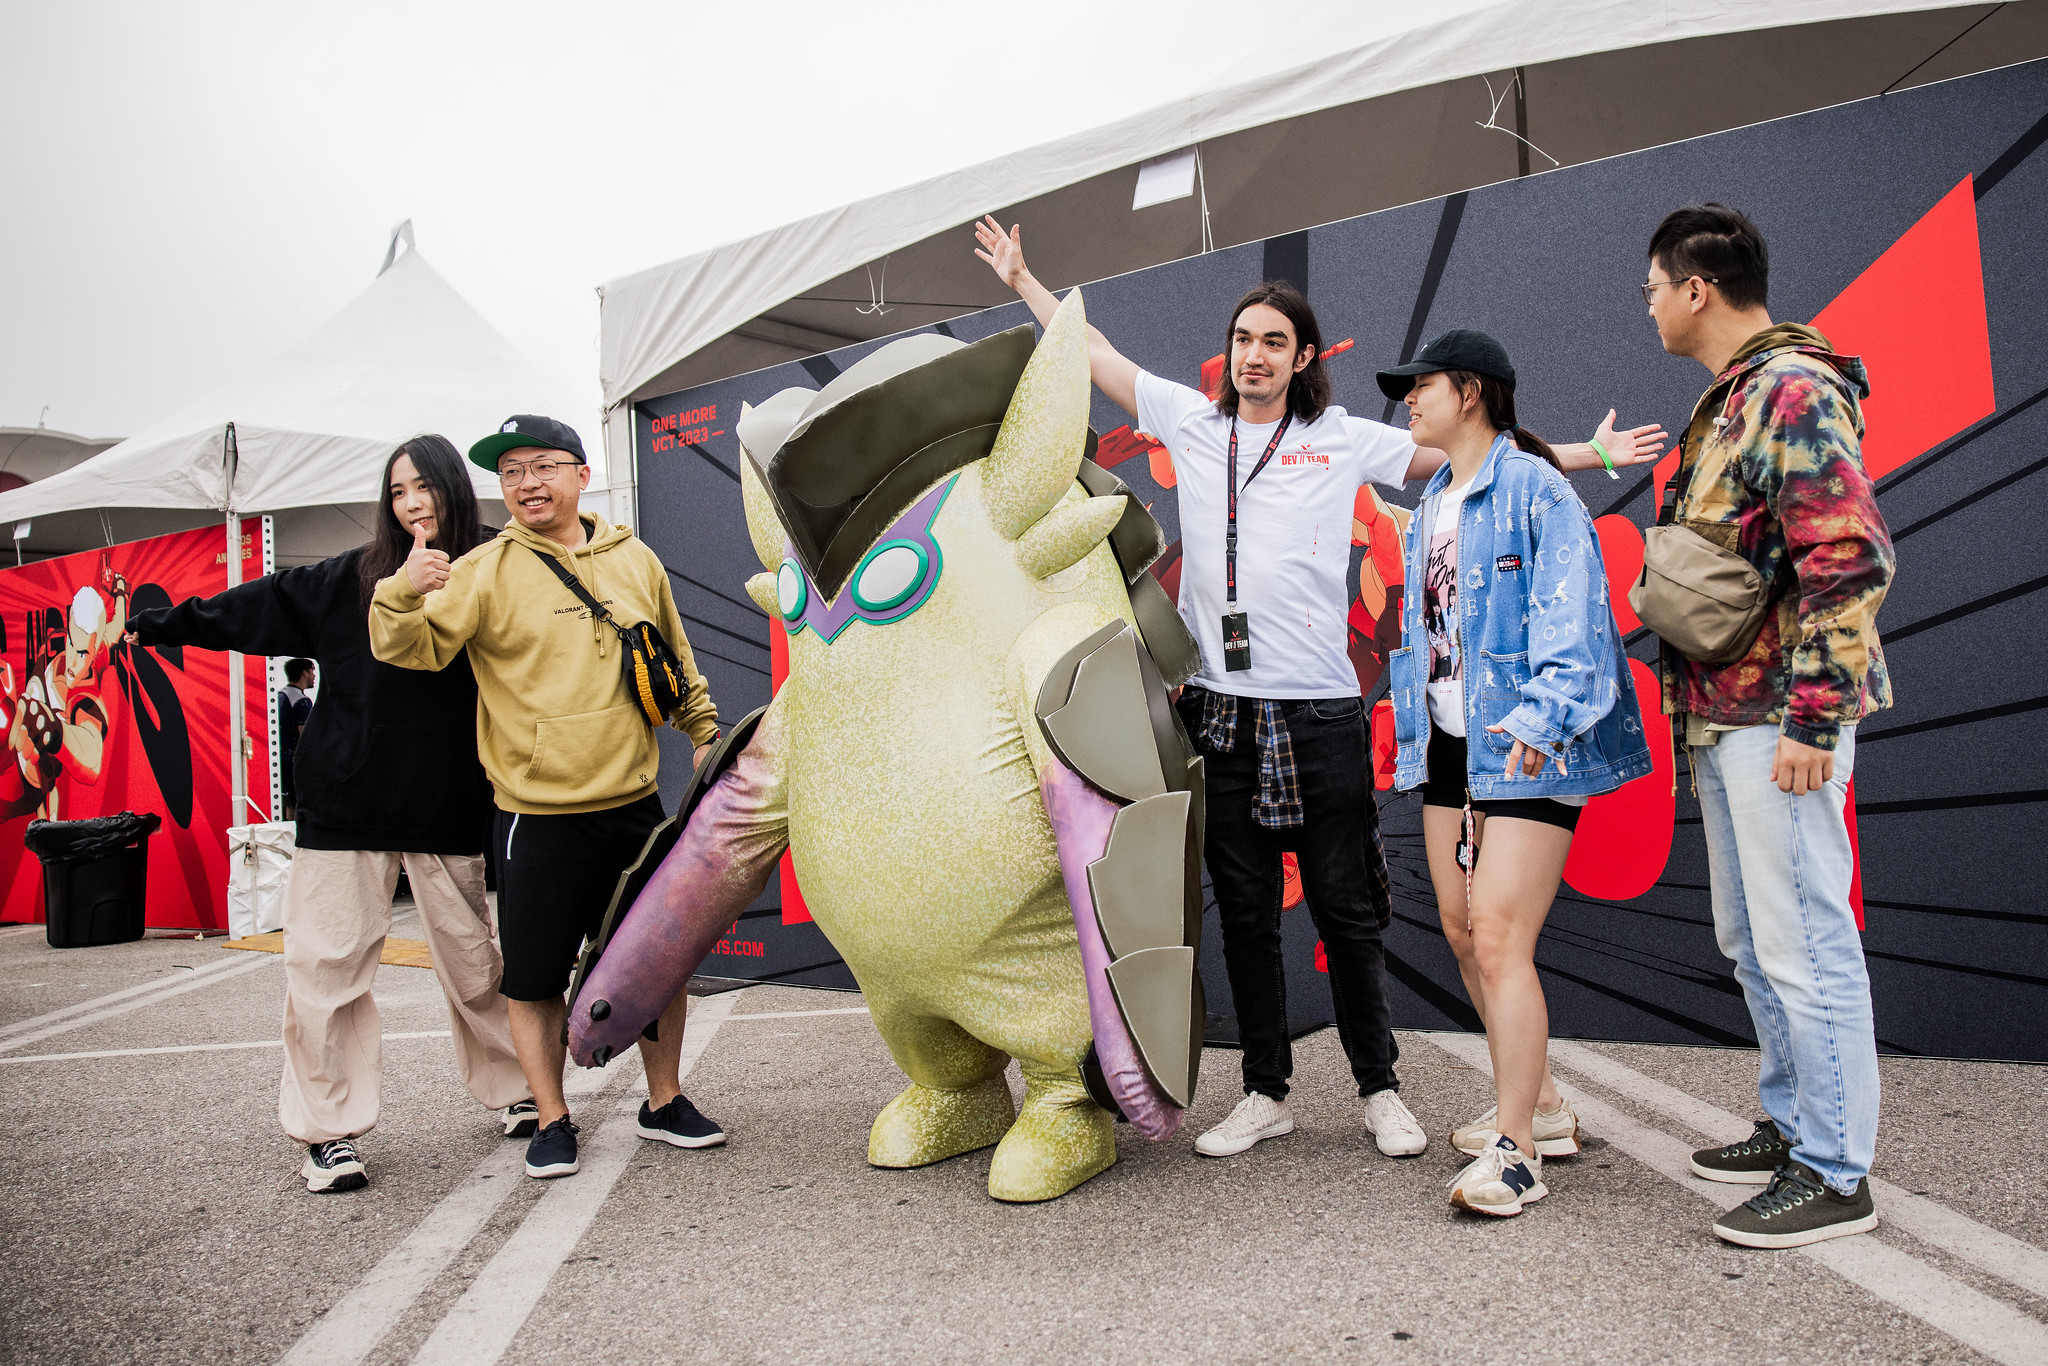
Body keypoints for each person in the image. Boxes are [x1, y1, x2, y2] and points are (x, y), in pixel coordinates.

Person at [974, 217, 1667, 1161]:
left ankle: (1379, 1090)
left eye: (1273, 343)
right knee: (1248, 911)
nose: (1252, 356)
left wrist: (1586, 455)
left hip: (1324, 713)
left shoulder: (1340, 438)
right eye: (1241, 340)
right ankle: (1265, 1091)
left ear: (1302, 359)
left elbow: (1458, 459)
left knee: (1349, 911)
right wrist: (1025, 279)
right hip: (1220, 709)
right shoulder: (1191, 419)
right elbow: (1091, 351)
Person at [129, 435, 533, 1194]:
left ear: (453, 489)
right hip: (345, 805)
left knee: (476, 967)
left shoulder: (495, 565)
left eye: (425, 488)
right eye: (398, 492)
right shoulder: (353, 577)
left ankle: (517, 1091)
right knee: (327, 970)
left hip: (448, 804)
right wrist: (161, 624)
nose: (412, 504)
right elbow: (254, 608)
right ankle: (327, 1132)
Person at [369, 414, 725, 1181]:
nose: (527, 483)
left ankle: (663, 1103)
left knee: (654, 963)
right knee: (532, 977)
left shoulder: (634, 558)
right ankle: (552, 1118)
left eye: (542, 466)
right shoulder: (483, 570)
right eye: (511, 473)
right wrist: (399, 595)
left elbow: (675, 654)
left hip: (632, 801)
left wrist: (704, 731)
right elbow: (413, 651)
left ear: (578, 472)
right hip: (535, 814)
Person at [1640, 205, 1893, 1249]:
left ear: (1694, 287)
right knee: (1750, 939)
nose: (1647, 305)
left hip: (1777, 715)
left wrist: (1812, 717)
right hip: (1724, 717)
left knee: (1804, 943)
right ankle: (1793, 1123)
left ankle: (1835, 1173)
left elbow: (1846, 556)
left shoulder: (1790, 389)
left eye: (1652, 286)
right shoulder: (1735, 398)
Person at [1377, 331, 1653, 1217]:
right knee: (1461, 931)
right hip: (1451, 746)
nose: (1408, 401)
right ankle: (1541, 1106)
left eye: (1420, 386)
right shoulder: (1429, 509)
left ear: (1469, 391)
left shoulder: (1535, 487)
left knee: (1499, 936)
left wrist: (1543, 715)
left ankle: (1517, 1151)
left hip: (1534, 738)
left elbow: (1575, 609)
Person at [277, 658, 315, 819]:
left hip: (281, 759)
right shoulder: (302, 701)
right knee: (297, 804)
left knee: (288, 803)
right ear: (304, 672)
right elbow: (305, 737)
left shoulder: (280, 694)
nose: (314, 676)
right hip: (294, 761)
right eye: (312, 671)